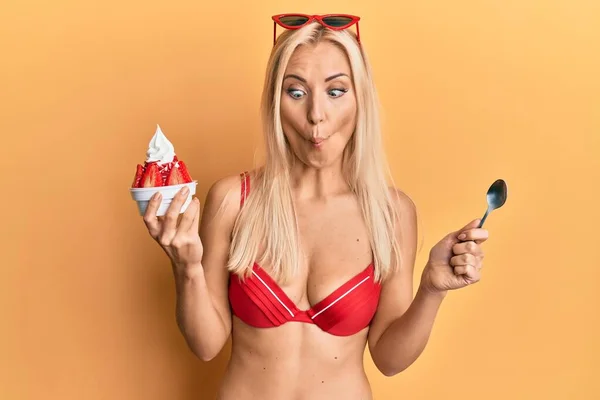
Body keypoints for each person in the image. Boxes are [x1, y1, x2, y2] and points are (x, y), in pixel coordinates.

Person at [141, 14, 489, 400]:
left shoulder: (391, 213)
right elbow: (205, 345)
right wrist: (185, 268)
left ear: (361, 99)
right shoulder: (232, 200)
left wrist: (431, 289)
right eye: (296, 92)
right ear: (275, 101)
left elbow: (389, 358)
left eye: (336, 91)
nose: (315, 116)